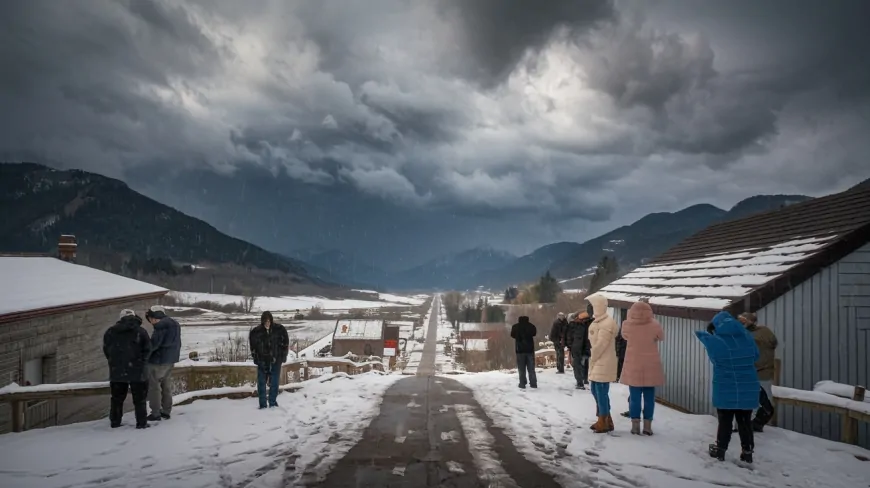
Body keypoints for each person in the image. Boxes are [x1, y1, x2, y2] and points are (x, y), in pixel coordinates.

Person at [695, 311, 760, 463]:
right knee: (745, 420)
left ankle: (720, 450)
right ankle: (747, 452)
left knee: (725, 420)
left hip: (725, 385)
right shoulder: (746, 337)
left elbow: (715, 360)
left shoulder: (717, 342)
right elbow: (756, 356)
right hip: (747, 385)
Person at [619, 301, 665, 435]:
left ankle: (635, 425)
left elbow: (624, 336)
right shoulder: (654, 324)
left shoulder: (627, 324)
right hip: (651, 365)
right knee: (650, 397)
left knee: (634, 397)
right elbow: (661, 337)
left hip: (634, 365)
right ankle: (647, 426)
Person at [103, 309, 151, 429]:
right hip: (137, 371)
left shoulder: (111, 331)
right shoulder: (141, 331)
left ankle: (115, 421)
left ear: (120, 318)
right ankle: (141, 423)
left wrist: (114, 362)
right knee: (139, 399)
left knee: (117, 399)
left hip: (117, 371)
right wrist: (141, 362)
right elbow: (148, 350)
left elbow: (106, 350)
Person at [739, 312, 778, 432]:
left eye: (743, 321)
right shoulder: (765, 331)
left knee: (751, 403)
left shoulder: (747, 336)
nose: (741, 324)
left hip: (755, 374)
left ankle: (746, 427)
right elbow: (773, 343)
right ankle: (755, 425)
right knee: (765, 404)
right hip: (766, 373)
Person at [586, 293, 619, 434]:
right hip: (597, 361)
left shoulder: (607, 323)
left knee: (601, 391)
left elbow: (601, 345)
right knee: (595, 390)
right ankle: (605, 418)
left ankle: (603, 420)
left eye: (594, 306)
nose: (592, 309)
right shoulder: (597, 322)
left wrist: (592, 356)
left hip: (603, 361)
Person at [145, 305, 182, 422]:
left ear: (154, 317)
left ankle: (155, 413)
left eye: (150, 319)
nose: (151, 322)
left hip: (157, 361)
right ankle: (166, 411)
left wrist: (144, 353)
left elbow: (154, 345)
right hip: (170, 360)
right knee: (166, 386)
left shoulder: (160, 326)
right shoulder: (175, 324)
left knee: (154, 387)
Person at [249, 311, 290, 408]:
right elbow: (253, 347)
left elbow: (286, 343)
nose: (267, 323)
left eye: (269, 321)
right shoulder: (256, 332)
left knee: (275, 383)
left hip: (276, 360)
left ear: (271, 320)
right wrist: (256, 358)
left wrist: (283, 356)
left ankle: (272, 402)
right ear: (262, 321)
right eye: (265, 321)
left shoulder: (279, 330)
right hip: (262, 361)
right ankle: (263, 404)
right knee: (261, 383)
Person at [566, 310, 592, 389]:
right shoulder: (588, 324)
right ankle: (584, 379)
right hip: (585, 347)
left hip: (576, 348)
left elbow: (569, 338)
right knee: (584, 364)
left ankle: (580, 382)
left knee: (577, 365)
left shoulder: (574, 326)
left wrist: (570, 346)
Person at [510, 315, 537, 389]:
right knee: (531, 368)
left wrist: (519, 337)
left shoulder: (515, 327)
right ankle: (533, 383)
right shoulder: (531, 326)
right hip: (530, 350)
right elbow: (534, 333)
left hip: (520, 350)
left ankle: (522, 383)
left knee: (521, 368)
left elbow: (512, 335)